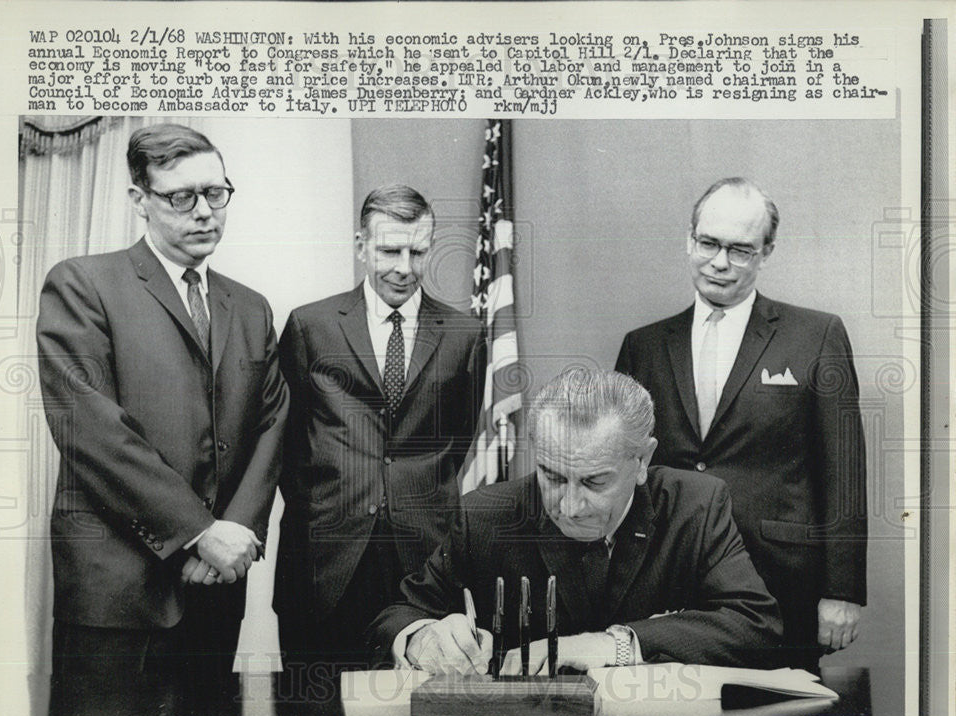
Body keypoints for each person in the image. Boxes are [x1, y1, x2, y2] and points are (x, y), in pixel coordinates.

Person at [37, 124, 289, 716]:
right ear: (139, 200)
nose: (204, 212)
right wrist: (198, 532)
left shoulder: (249, 306)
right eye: (181, 197)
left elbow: (273, 425)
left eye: (215, 193)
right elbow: (94, 433)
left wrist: (234, 536)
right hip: (116, 597)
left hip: (215, 590)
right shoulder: (82, 284)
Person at [369, 369, 782, 674]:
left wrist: (609, 646)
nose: (569, 505)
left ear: (643, 461)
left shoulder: (697, 505)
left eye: (593, 481)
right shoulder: (484, 516)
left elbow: (756, 626)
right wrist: (421, 640)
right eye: (551, 476)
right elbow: (396, 616)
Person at [615, 177, 867, 671]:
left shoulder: (817, 336)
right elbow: (621, 471)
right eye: (708, 243)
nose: (719, 262)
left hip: (781, 585)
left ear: (766, 251)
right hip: (668, 582)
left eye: (740, 249)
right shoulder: (642, 346)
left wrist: (843, 590)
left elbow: (845, 474)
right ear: (689, 240)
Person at [273, 185, 485, 685]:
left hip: (421, 559)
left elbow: (458, 441)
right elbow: (285, 444)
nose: (404, 268)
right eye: (390, 250)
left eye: (418, 251)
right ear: (361, 245)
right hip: (324, 558)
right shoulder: (311, 325)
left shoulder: (463, 334)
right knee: (314, 715)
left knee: (420, 714)